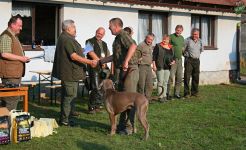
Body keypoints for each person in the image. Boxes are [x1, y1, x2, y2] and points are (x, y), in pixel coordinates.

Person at [52, 20, 98, 126]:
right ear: (68, 28)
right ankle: (64, 120)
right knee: (69, 97)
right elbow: (74, 56)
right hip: (70, 74)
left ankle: (67, 116)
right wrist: (90, 61)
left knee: (68, 96)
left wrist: (86, 50)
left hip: (70, 73)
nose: (75, 29)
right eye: (73, 27)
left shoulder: (66, 38)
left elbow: (76, 51)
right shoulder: (67, 39)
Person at [109, 18, 139, 135]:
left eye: (110, 26)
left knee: (129, 100)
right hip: (123, 71)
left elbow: (133, 46)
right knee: (122, 100)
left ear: (116, 26)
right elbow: (115, 56)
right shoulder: (118, 38)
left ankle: (129, 128)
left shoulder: (123, 34)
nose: (109, 28)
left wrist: (126, 61)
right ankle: (121, 126)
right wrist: (101, 61)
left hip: (130, 69)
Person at [0, 15, 30, 111]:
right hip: (9, 74)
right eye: (19, 25)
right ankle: (5, 123)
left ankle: (7, 122)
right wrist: (21, 58)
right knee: (10, 100)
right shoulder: (6, 36)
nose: (21, 28)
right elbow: (4, 54)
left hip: (14, 74)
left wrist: (23, 58)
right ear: (12, 24)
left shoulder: (13, 36)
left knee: (13, 98)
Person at [86, 27, 110, 114]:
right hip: (93, 68)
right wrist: (101, 62)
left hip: (102, 68)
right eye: (98, 33)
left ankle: (97, 106)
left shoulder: (104, 43)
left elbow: (107, 55)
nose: (99, 35)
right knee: (95, 87)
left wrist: (106, 65)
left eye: (101, 34)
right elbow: (89, 52)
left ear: (103, 35)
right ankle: (91, 107)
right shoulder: (89, 41)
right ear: (96, 32)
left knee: (100, 87)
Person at [153, 35, 175, 102]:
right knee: (160, 82)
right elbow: (154, 56)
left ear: (169, 40)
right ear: (162, 39)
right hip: (160, 66)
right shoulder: (158, 46)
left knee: (165, 82)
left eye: (167, 40)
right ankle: (160, 97)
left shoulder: (171, 47)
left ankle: (164, 96)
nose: (165, 41)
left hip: (167, 67)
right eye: (164, 39)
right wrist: (154, 65)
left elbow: (173, 57)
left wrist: (173, 61)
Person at [183, 28, 204, 98]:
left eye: (197, 34)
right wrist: (186, 56)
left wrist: (196, 55)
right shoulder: (187, 40)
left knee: (196, 77)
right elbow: (182, 49)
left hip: (197, 61)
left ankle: (194, 92)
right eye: (194, 34)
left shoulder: (200, 41)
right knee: (187, 77)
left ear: (199, 34)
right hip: (189, 60)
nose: (195, 35)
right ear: (192, 34)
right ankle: (186, 93)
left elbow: (201, 50)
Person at [167, 25, 185, 100]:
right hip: (173, 60)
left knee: (179, 77)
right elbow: (167, 47)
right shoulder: (171, 36)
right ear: (175, 29)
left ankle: (177, 93)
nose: (178, 32)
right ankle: (168, 93)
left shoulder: (182, 38)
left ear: (182, 31)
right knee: (171, 77)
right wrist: (170, 58)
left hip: (179, 60)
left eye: (180, 31)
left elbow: (182, 48)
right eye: (177, 30)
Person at [137, 33, 155, 103]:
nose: (150, 41)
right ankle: (140, 99)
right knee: (141, 84)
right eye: (149, 39)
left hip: (148, 66)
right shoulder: (141, 45)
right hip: (142, 66)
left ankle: (148, 98)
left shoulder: (150, 45)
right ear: (146, 38)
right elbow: (136, 54)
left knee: (149, 83)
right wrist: (139, 58)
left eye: (151, 40)